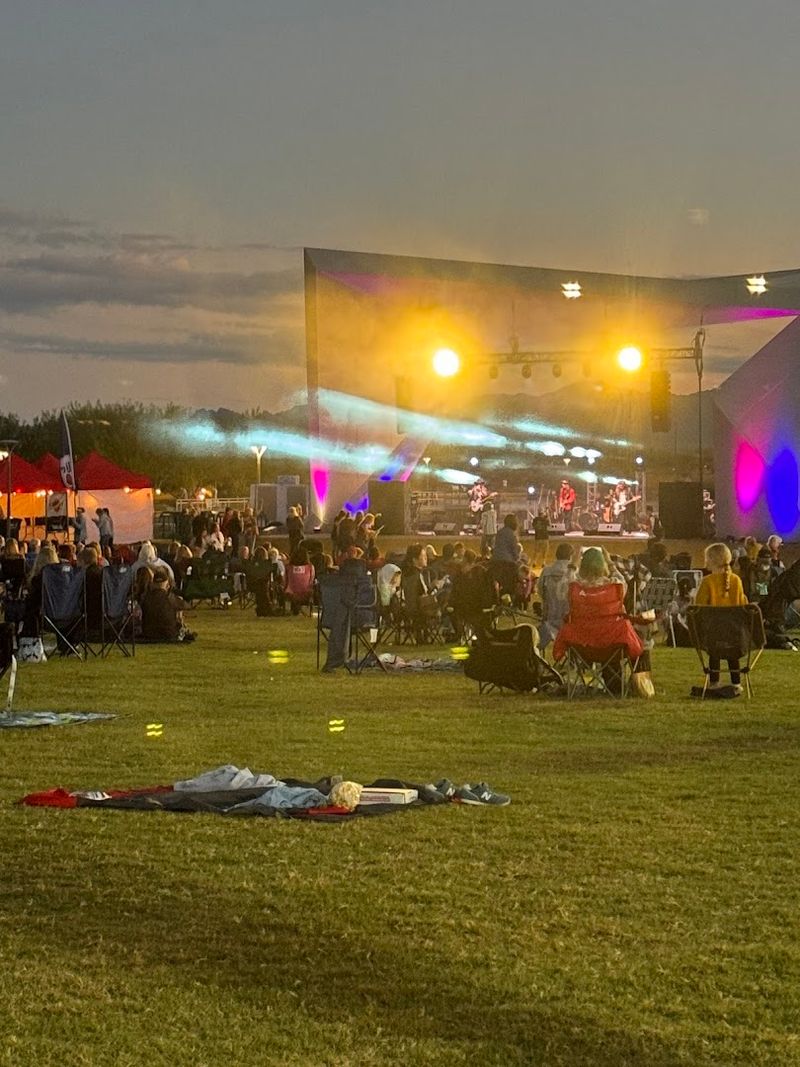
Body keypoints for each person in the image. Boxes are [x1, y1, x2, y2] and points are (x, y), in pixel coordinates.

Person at [554, 546, 653, 696]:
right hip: (611, 645)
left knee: (608, 637)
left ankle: (612, 685)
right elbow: (622, 580)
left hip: (581, 646)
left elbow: (560, 591)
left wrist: (573, 564)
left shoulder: (573, 587)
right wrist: (610, 561)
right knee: (634, 637)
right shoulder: (615, 586)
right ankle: (633, 686)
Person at [694, 542, 748, 690]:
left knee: (714, 654)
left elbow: (699, 606)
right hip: (735, 632)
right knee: (733, 655)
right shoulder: (736, 580)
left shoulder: (707, 582)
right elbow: (743, 604)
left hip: (713, 632)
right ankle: (736, 682)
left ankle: (714, 682)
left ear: (711, 560)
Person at [141, 566, 193, 642]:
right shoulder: (170, 597)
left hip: (149, 633)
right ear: (167, 584)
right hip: (168, 633)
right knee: (178, 610)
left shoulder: (146, 597)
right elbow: (187, 606)